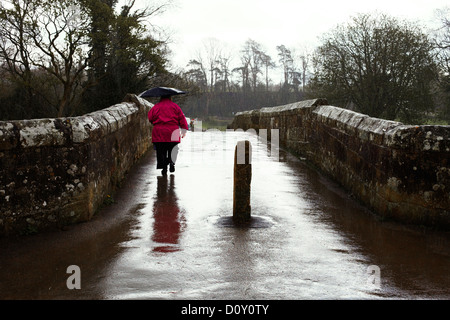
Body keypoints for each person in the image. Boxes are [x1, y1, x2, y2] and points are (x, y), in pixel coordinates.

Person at [148, 95, 189, 175]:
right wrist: (184, 129)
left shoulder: (156, 107)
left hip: (159, 131)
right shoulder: (175, 106)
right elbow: (181, 118)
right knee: (173, 149)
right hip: (173, 131)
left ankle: (164, 167)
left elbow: (150, 118)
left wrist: (155, 121)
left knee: (161, 151)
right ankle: (171, 162)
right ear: (170, 97)